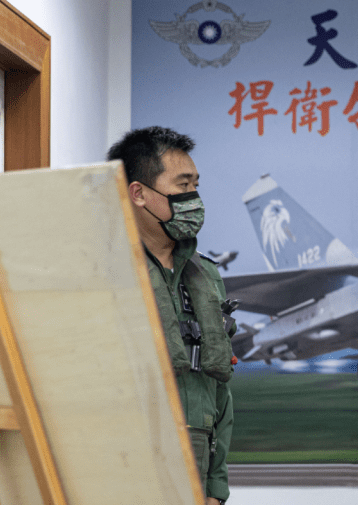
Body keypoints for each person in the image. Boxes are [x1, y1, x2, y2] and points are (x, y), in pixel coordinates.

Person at [107, 126, 234, 505]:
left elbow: (220, 391)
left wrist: (215, 487)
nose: (193, 197)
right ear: (139, 193)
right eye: (182, 185)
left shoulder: (206, 277)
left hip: (192, 471)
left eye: (196, 184)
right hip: (124, 470)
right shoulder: (105, 273)